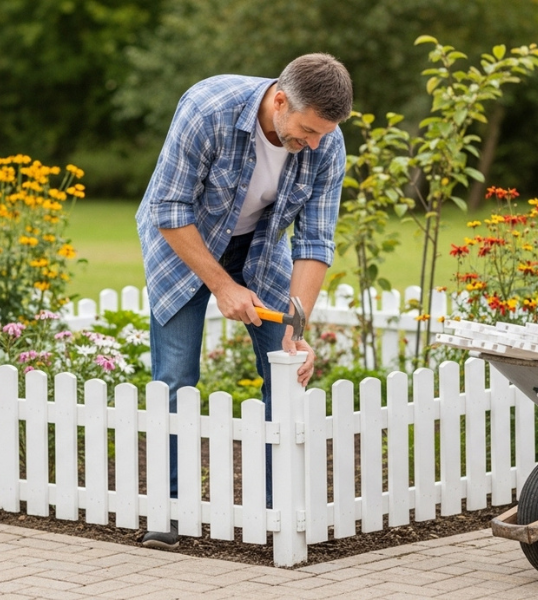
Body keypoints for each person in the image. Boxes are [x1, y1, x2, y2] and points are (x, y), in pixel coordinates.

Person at [136, 53, 353, 550]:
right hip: (184, 241)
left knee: (285, 364)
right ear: (279, 100)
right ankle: (169, 512)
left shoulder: (328, 142)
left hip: (258, 246)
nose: (315, 144)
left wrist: (296, 329)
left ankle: (278, 512)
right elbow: (168, 208)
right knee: (175, 377)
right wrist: (221, 286)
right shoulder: (207, 109)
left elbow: (315, 241)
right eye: (307, 131)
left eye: (324, 133)